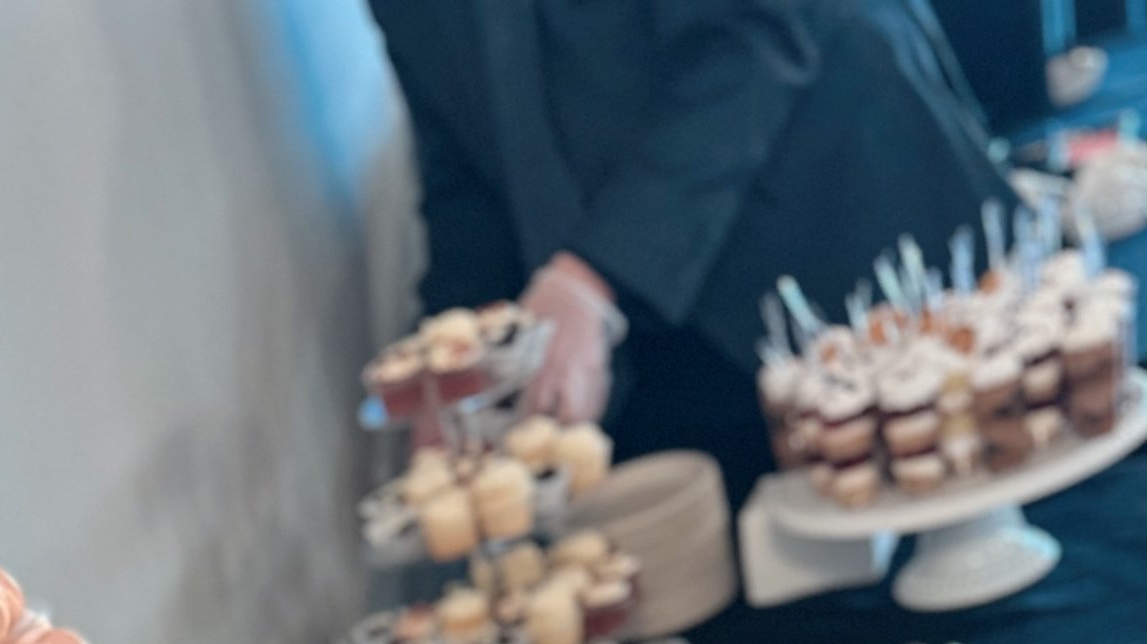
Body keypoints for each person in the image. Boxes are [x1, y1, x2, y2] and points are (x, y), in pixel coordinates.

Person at [365, 0, 1014, 493]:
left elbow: (756, 39)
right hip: (657, 306)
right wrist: (455, 369)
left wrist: (588, 278)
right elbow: (465, 172)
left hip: (841, 202)